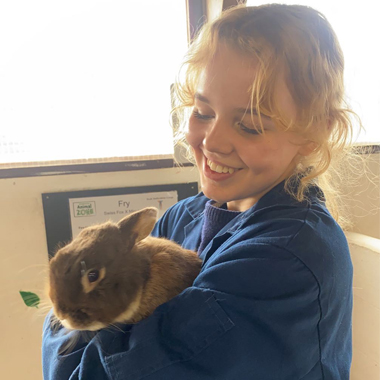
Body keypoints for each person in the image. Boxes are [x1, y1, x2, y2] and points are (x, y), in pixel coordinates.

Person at [42, 3, 360, 379]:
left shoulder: (287, 259)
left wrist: (64, 327)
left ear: (313, 134)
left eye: (250, 126)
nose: (213, 141)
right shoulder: (184, 216)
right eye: (203, 111)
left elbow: (93, 370)